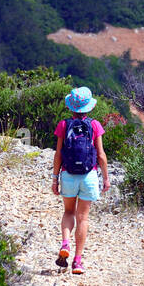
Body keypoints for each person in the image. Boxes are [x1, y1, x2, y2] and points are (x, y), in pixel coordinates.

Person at [51, 86, 109, 275]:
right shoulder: (95, 125)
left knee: (68, 212)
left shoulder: (63, 125)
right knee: (83, 217)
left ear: (71, 107)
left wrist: (54, 179)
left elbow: (58, 154)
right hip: (89, 176)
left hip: (68, 175)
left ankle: (65, 242)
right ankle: (77, 261)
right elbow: (100, 155)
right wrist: (106, 179)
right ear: (89, 108)